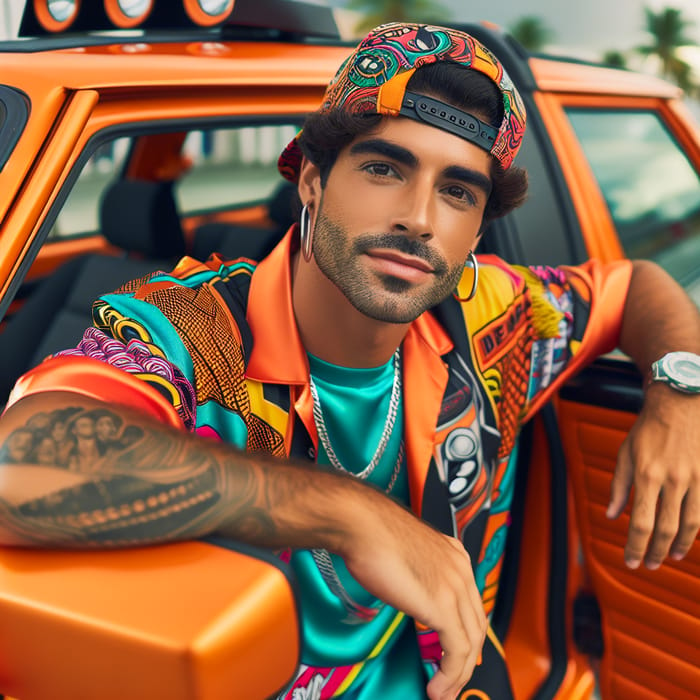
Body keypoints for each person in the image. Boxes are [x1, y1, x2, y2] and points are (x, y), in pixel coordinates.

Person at [0, 21, 699, 700]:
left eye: (457, 191)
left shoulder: (496, 313)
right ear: (310, 179)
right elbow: (17, 466)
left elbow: (635, 286)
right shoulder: (190, 329)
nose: (419, 218)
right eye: (384, 169)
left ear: (477, 230)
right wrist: (352, 515)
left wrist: (678, 389)